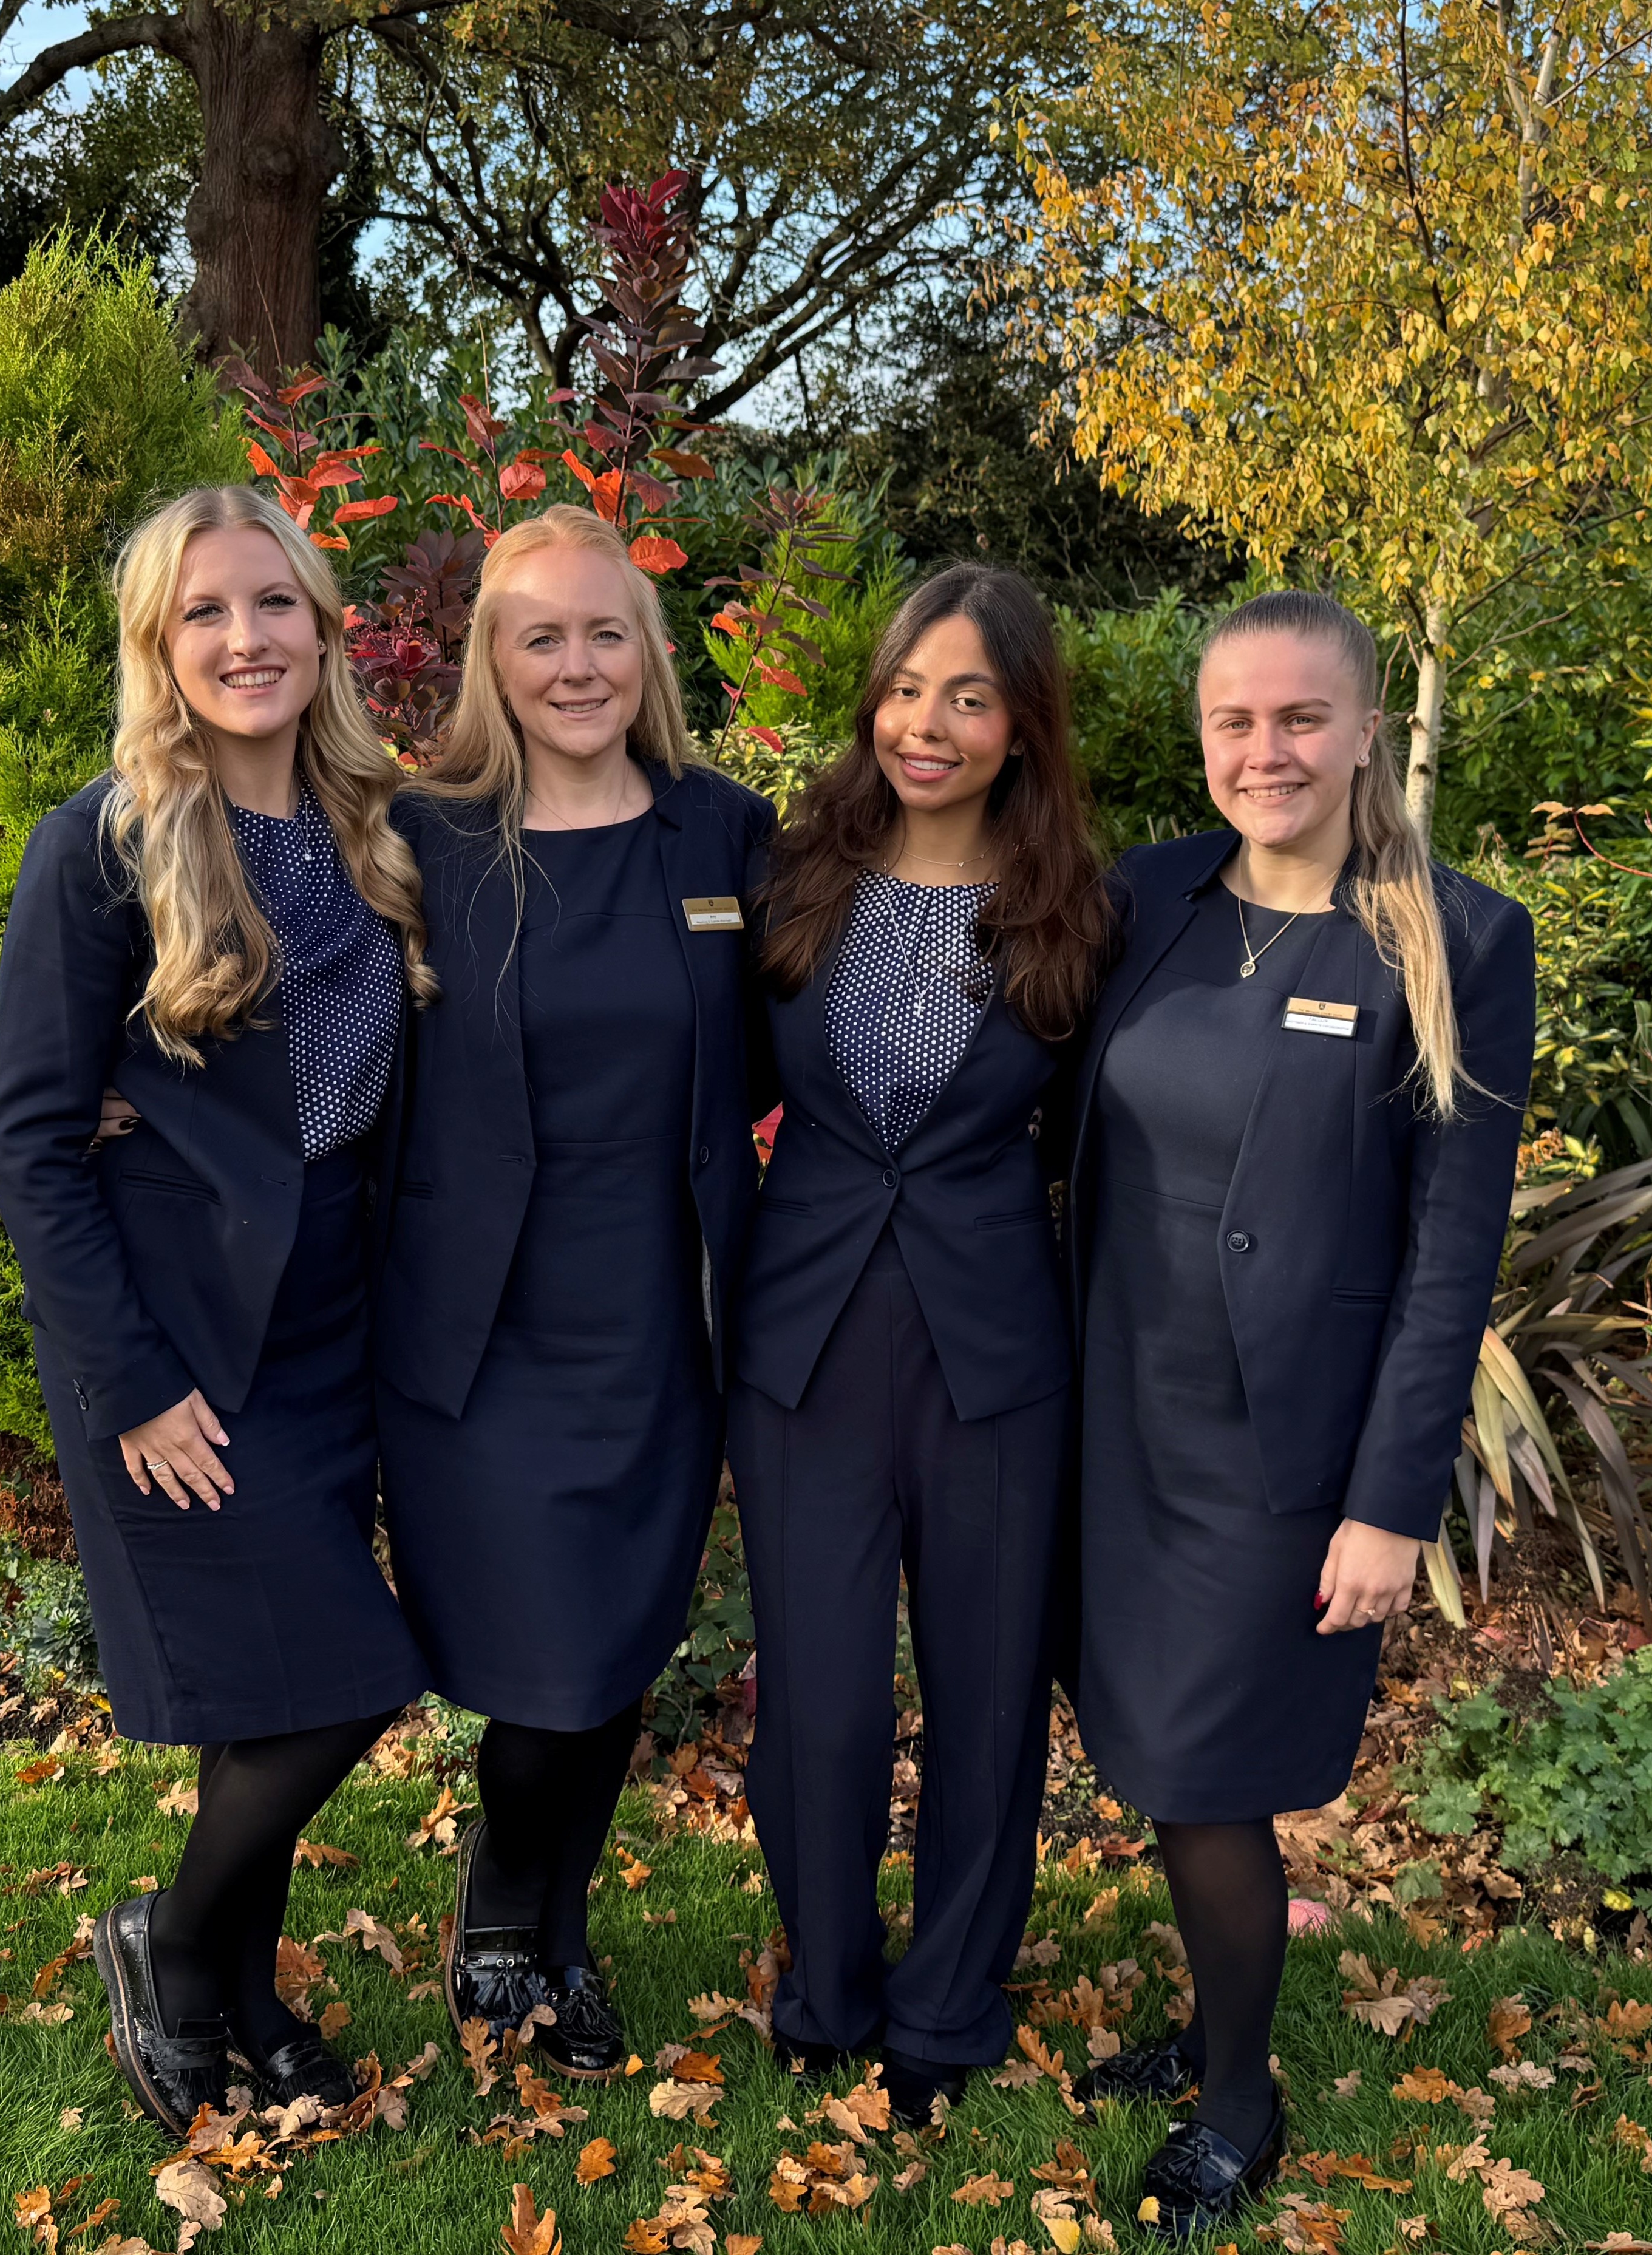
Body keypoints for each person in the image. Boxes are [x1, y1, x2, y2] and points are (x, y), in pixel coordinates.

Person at [1065, 590, 1535, 2235]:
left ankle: (1241, 2103)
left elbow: (1447, 1253)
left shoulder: (1454, 937)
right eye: (1233, 722)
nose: (1264, 752)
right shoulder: (1146, 901)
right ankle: (1208, 2024)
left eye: (1297, 719)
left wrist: (1390, 1501)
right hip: (1117, 1423)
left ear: (1364, 734)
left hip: (1286, 1457)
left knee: (1207, 1778)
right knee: (1150, 1750)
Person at [0, 485, 434, 2134]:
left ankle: (242, 1990)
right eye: (204, 614)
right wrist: (132, 1383)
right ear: (160, 649)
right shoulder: (103, 844)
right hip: (174, 1341)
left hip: (332, 1323)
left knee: (273, 1686)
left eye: (273, 605)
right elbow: (30, 1139)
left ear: (322, 627)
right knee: (345, 1673)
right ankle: (170, 1947)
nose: (245, 640)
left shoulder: (379, 825)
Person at [372, 503, 773, 2081]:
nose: (576, 662)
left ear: (647, 651)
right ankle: (500, 1908)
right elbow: (317, 1040)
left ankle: (553, 1923)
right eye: (540, 633)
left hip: (660, 1320)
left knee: (609, 1652)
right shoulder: (423, 838)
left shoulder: (723, 833)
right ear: (492, 656)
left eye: (606, 630)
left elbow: (811, 1020)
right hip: (476, 1331)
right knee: (538, 1666)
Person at [729, 564, 1113, 2122]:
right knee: (819, 1698)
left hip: (995, 1356)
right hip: (804, 1344)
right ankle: (825, 1981)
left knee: (986, 1695)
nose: (927, 724)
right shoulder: (789, 874)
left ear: (1022, 723)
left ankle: (948, 2004)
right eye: (906, 688)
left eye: (968, 695)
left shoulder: (1084, 906)